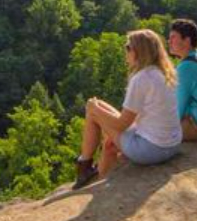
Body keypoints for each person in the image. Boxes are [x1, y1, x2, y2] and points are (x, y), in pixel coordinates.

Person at [73, 29, 181, 189]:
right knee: (109, 142)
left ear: (139, 51)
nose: (126, 51)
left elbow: (121, 124)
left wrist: (94, 108)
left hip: (152, 150)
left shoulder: (141, 78)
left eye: (128, 47)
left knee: (92, 108)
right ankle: (98, 178)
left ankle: (84, 165)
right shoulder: (164, 73)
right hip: (172, 144)